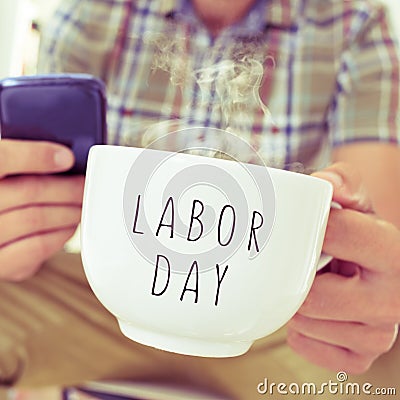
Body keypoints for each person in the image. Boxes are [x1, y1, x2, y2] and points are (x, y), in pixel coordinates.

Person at [0, 0, 400, 399]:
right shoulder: (89, 14)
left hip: (274, 322)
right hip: (100, 302)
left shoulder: (353, 24)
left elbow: (377, 230)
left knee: (380, 376)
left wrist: (369, 275)